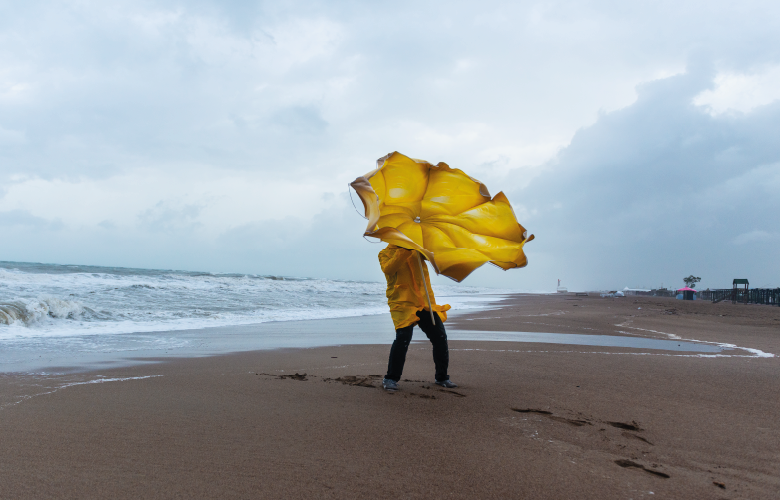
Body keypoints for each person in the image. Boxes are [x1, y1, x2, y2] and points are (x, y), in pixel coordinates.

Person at [379, 244, 457, 391]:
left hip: (423, 302)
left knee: (440, 337)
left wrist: (426, 249)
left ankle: (442, 378)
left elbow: (435, 260)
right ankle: (390, 378)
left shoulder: (418, 251)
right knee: (403, 338)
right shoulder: (385, 253)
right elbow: (388, 269)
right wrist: (405, 250)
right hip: (402, 303)